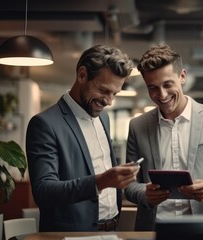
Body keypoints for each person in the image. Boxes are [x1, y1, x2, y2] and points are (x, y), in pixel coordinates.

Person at [124, 43, 203, 230]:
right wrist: (144, 193)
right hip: (154, 228)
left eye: (167, 84)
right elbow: (130, 184)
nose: (161, 95)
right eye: (153, 88)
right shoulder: (137, 126)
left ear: (182, 76)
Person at [26, 45, 139, 232]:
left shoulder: (104, 118)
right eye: (103, 90)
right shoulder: (44, 124)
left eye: (114, 94)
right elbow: (44, 191)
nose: (109, 101)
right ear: (82, 75)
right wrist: (101, 181)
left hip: (112, 230)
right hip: (71, 234)